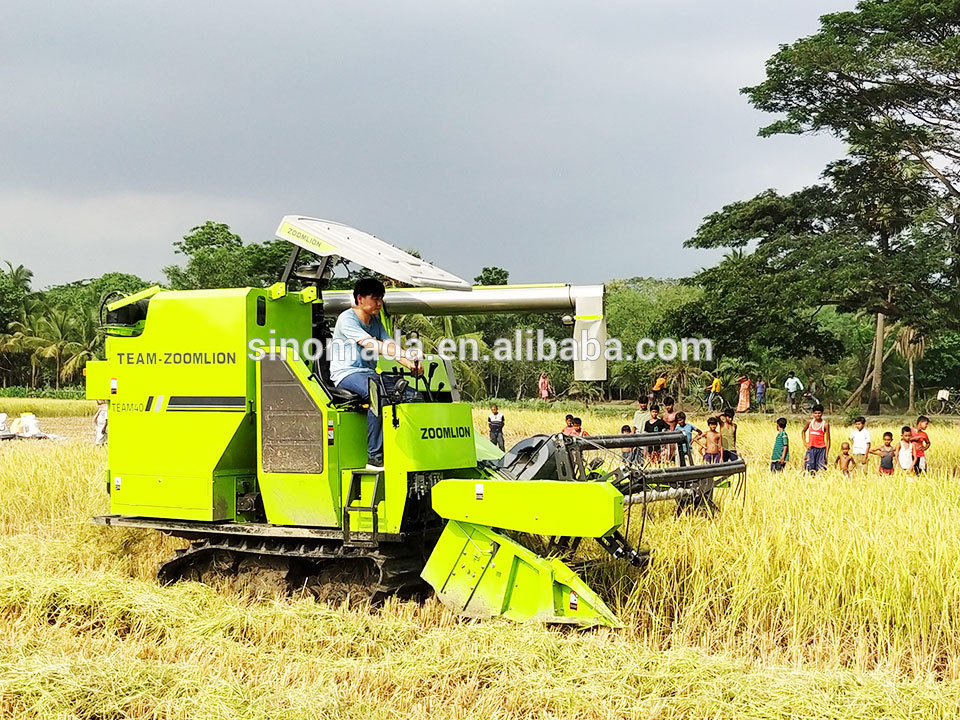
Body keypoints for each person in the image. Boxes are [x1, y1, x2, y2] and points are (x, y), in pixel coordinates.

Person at [330, 277, 422, 468]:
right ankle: (375, 456)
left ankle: (409, 448)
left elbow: (389, 344)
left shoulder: (376, 321)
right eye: (375, 299)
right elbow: (371, 343)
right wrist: (407, 355)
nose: (379, 303)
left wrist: (410, 364)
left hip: (370, 374)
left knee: (412, 395)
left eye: (381, 298)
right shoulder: (346, 319)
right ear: (360, 298)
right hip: (347, 374)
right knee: (378, 392)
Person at [801, 404, 830, 473]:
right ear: (813, 414)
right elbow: (803, 431)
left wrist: (826, 453)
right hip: (811, 449)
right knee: (809, 467)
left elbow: (828, 440)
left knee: (821, 469)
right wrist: (805, 443)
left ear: (822, 413)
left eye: (819, 413)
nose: (817, 415)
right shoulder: (810, 423)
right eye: (815, 413)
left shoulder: (825, 424)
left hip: (821, 449)